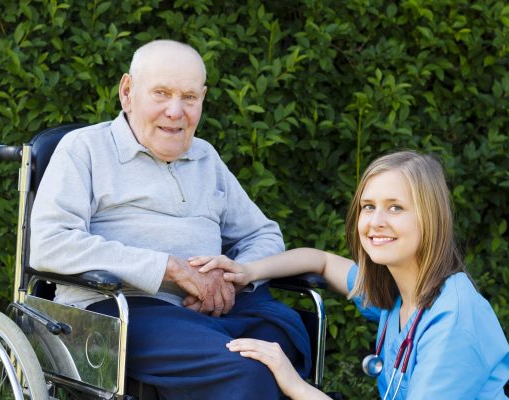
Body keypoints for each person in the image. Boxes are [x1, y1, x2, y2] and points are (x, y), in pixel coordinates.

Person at [29, 39, 311, 399]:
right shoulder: (84, 149)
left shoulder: (205, 157)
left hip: (216, 311)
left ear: (202, 100)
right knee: (247, 368)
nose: (175, 111)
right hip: (122, 311)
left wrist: (232, 278)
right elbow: (49, 244)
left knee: (282, 343)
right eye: (161, 93)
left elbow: (263, 234)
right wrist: (170, 269)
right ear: (127, 92)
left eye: (189, 98)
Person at [192, 150, 509, 399]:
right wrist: (248, 271)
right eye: (368, 206)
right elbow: (321, 262)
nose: (376, 221)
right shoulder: (398, 291)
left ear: (430, 218)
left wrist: (296, 385)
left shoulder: (453, 320)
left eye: (395, 207)